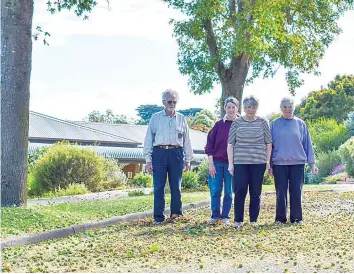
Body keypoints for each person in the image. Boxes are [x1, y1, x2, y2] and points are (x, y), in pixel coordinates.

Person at [143, 89, 194, 225]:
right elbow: (148, 139)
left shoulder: (182, 118)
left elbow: (186, 140)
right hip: (159, 153)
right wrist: (148, 159)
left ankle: (176, 214)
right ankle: (158, 217)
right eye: (170, 101)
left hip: (176, 153)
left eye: (174, 102)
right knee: (159, 187)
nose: (172, 104)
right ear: (163, 102)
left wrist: (188, 159)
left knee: (176, 187)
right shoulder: (155, 118)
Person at [269, 97, 318, 224]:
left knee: (296, 191)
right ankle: (280, 218)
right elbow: (268, 145)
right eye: (284, 107)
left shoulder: (300, 124)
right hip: (279, 163)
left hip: (298, 163)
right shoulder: (274, 124)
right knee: (281, 192)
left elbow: (308, 144)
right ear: (281, 108)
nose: (287, 109)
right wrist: (269, 164)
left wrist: (312, 164)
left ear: (293, 108)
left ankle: (297, 218)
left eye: (290, 106)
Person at [227, 96, 272, 228]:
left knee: (255, 191)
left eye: (253, 107)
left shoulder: (263, 122)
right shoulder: (237, 123)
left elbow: (268, 143)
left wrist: (267, 161)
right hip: (240, 162)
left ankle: (253, 220)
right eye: (248, 107)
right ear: (244, 108)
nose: (251, 110)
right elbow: (230, 144)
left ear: (257, 108)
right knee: (240, 190)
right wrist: (231, 164)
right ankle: (238, 220)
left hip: (258, 162)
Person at [205, 97, 239, 226]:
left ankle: (225, 216)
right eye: (228, 107)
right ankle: (215, 216)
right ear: (225, 108)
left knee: (229, 192)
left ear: (237, 108)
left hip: (233, 164)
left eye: (233, 107)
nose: (231, 110)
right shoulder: (218, 125)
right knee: (215, 190)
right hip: (217, 163)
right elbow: (209, 145)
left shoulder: (240, 124)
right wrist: (211, 164)